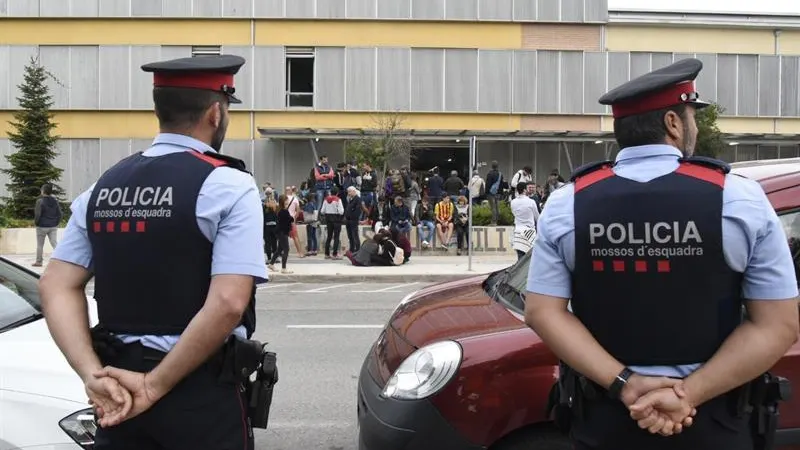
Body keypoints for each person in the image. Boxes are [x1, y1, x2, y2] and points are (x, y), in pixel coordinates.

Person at [524, 58, 799, 450]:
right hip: (715, 422)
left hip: (607, 420)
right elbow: (777, 325)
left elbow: (543, 311)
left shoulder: (567, 202)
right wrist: (688, 394)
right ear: (673, 123)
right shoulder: (739, 198)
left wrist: (626, 384)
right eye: (692, 117)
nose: (694, 127)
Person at [37, 54, 268, 450]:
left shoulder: (102, 188)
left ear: (159, 110)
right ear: (216, 113)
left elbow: (56, 284)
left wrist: (93, 375)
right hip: (197, 391)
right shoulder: (229, 184)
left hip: (116, 389)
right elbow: (229, 302)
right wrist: (153, 385)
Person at [33, 183, 63, 267]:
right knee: (54, 243)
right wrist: (56, 222)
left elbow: (37, 214)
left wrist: (36, 223)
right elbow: (60, 214)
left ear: (43, 191)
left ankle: (39, 262)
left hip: (42, 226)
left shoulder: (40, 201)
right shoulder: (55, 201)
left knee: (40, 245)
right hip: (53, 226)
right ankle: (61, 261)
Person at [510, 181, 539, 260]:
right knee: (531, 257)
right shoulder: (531, 202)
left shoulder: (513, 202)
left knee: (520, 257)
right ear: (524, 190)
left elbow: (513, 213)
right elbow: (537, 217)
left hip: (518, 230)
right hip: (529, 230)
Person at [269, 194, 293, 274]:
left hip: (280, 232)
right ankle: (283, 268)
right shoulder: (284, 211)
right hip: (283, 232)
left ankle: (271, 264)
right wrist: (291, 218)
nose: (288, 201)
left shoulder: (280, 210)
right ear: (284, 201)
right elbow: (289, 220)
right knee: (286, 249)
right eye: (286, 200)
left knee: (279, 249)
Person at [321, 186, 345, 260]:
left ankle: (327, 254)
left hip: (328, 220)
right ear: (337, 193)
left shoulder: (325, 199)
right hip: (337, 220)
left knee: (329, 236)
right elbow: (341, 212)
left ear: (330, 192)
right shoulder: (338, 200)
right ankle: (335, 254)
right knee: (336, 237)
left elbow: (322, 211)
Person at [344, 186, 362, 253]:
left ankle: (357, 250)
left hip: (353, 220)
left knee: (355, 236)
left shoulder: (358, 199)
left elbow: (357, 211)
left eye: (349, 192)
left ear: (353, 191)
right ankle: (351, 250)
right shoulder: (351, 199)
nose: (348, 193)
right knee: (350, 236)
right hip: (348, 220)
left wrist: (351, 216)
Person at [302, 192, 319, 256]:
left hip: (310, 222)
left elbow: (309, 211)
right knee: (314, 236)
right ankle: (315, 250)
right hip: (314, 222)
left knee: (309, 237)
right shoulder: (315, 204)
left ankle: (309, 250)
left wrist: (304, 208)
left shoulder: (309, 205)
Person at [263, 197, 279, 261]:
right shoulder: (275, 210)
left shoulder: (264, 209)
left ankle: (269, 258)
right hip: (274, 228)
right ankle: (274, 258)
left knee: (268, 243)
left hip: (267, 228)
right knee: (274, 243)